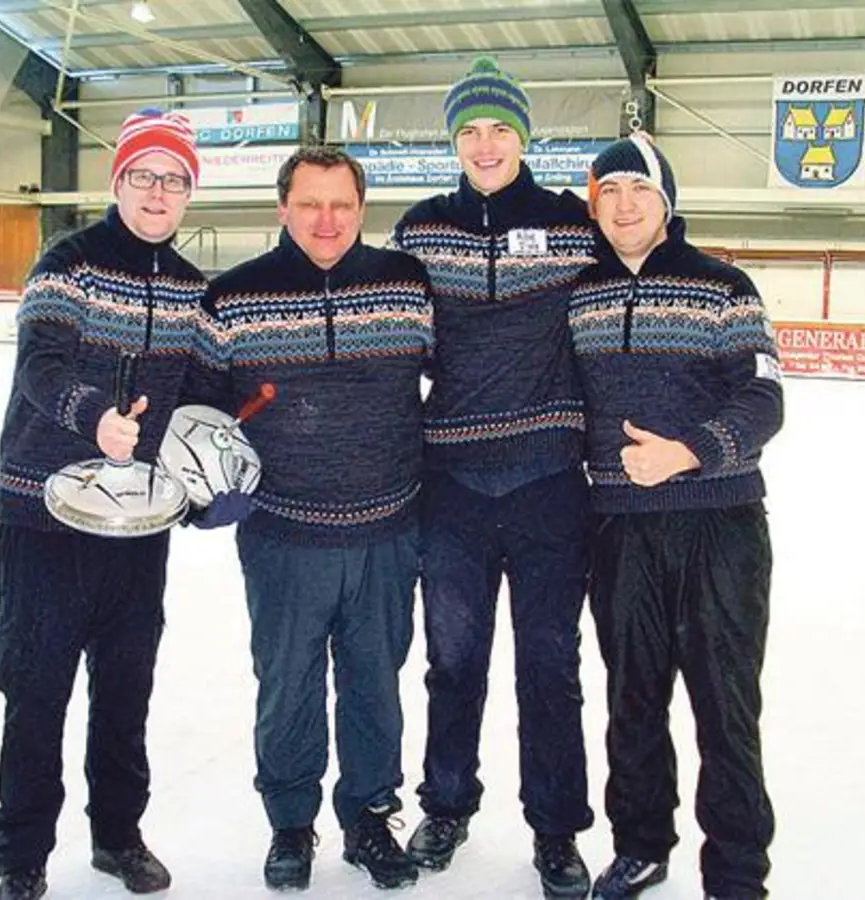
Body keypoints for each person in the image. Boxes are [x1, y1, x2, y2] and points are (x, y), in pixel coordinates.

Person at [189, 145, 435, 892]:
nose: (326, 221)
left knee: (374, 684)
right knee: (287, 684)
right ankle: (291, 825)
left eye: (341, 205)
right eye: (309, 204)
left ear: (362, 210)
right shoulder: (232, 297)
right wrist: (203, 487)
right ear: (283, 209)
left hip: (388, 529)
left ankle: (367, 819)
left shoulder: (406, 282)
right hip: (284, 536)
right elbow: (197, 413)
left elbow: (455, 378)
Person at [389, 55, 597, 898]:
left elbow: (634, 269)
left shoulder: (571, 223)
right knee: (453, 659)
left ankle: (556, 829)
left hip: (550, 479)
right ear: (453, 142)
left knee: (551, 665)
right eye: (469, 130)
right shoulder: (421, 227)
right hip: (455, 486)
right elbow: (399, 343)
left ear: (523, 137)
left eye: (499, 128)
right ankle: (446, 802)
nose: (484, 144)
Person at [0, 108, 207, 900]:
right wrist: (95, 417)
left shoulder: (190, 289)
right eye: (144, 175)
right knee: (37, 688)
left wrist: (225, 462)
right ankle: (21, 856)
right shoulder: (66, 264)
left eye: (173, 179)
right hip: (44, 517)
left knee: (125, 688)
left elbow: (204, 397)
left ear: (189, 195)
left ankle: (117, 836)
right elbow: (40, 366)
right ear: (119, 182)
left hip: (136, 524)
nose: (158, 191)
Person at [569, 133, 782, 900]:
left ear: (667, 202)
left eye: (640, 190)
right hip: (619, 528)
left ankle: (735, 870)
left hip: (718, 524)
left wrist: (687, 452)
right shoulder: (579, 293)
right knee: (632, 696)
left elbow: (764, 399)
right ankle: (640, 844)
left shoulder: (723, 286)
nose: (624, 206)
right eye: (609, 193)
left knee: (724, 703)